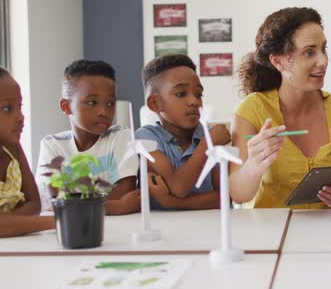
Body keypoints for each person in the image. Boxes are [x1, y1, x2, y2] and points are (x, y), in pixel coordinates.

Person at [230, 7, 331, 208]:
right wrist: (253, 166)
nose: (323, 61)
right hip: (270, 235)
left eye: (323, 49)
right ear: (278, 61)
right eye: (309, 52)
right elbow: (238, 195)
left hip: (330, 233)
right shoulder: (252, 110)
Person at [35, 60, 140, 215]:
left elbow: (125, 193)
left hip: (118, 227)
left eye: (110, 103)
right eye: (92, 102)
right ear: (66, 106)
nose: (104, 111)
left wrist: (76, 205)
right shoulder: (52, 145)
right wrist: (118, 205)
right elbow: (57, 203)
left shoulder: (120, 136)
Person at [136, 54, 227, 210]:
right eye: (181, 94)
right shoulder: (145, 138)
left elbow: (225, 197)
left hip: (211, 226)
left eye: (199, 94)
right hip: (164, 229)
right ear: (155, 104)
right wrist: (208, 144)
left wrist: (171, 202)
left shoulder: (211, 136)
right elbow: (178, 187)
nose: (194, 101)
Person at [0, 67, 41, 215]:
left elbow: (35, 204)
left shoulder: (13, 148)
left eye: (19, 106)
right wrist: (55, 222)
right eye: (7, 108)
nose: (20, 117)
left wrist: (9, 223)